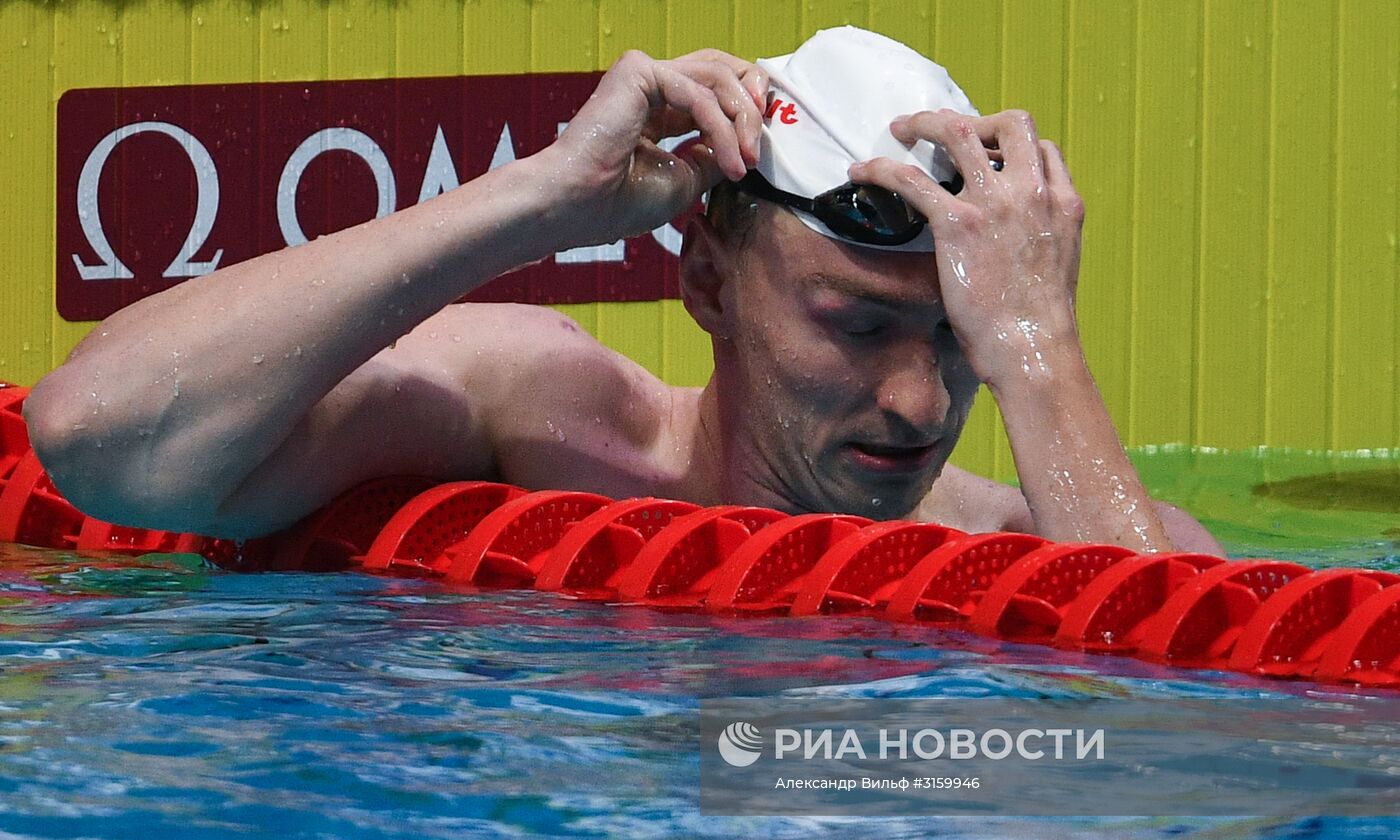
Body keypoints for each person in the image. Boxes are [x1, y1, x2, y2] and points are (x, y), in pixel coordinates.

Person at [23, 27, 1221, 555]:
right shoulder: (542, 422)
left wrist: (1033, 345)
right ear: (706, 279)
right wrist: (536, 197)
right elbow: (101, 440)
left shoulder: (1037, 537)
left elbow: (1193, 776)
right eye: (856, 325)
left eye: (955, 343)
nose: (916, 405)